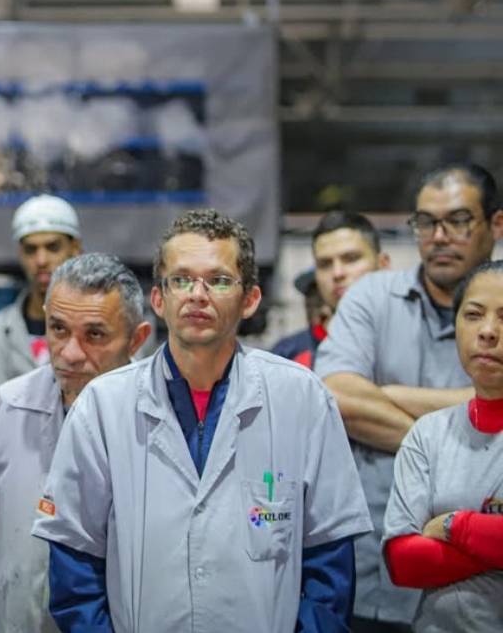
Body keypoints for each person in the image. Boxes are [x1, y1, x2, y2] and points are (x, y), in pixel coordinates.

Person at [33, 208, 371, 633]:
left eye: (219, 280)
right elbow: (75, 568)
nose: (197, 294)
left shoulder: (302, 398)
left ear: (250, 300)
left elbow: (329, 563)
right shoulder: (102, 407)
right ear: (159, 299)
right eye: (181, 279)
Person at [316, 164, 503, 632]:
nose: (439, 236)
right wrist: (450, 441)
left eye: (458, 220)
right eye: (425, 222)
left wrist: (386, 394)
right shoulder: (371, 297)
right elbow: (336, 395)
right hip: (374, 573)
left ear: (496, 224)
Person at [0, 253, 151, 633]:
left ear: (137, 338)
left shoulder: (157, 426)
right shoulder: (6, 408)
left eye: (95, 335)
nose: (70, 353)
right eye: (58, 329)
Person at [383, 261, 503, 632]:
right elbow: (403, 563)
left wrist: (456, 526)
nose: (488, 331)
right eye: (473, 315)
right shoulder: (428, 434)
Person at [0, 194, 82, 384]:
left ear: (75, 248)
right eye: (31, 250)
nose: (41, 260)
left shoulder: (101, 328)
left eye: (53, 247)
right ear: (20, 253)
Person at [272, 211, 389, 368]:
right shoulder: (285, 358)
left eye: (351, 258)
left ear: (383, 264)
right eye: (325, 264)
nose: (337, 273)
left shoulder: (414, 338)